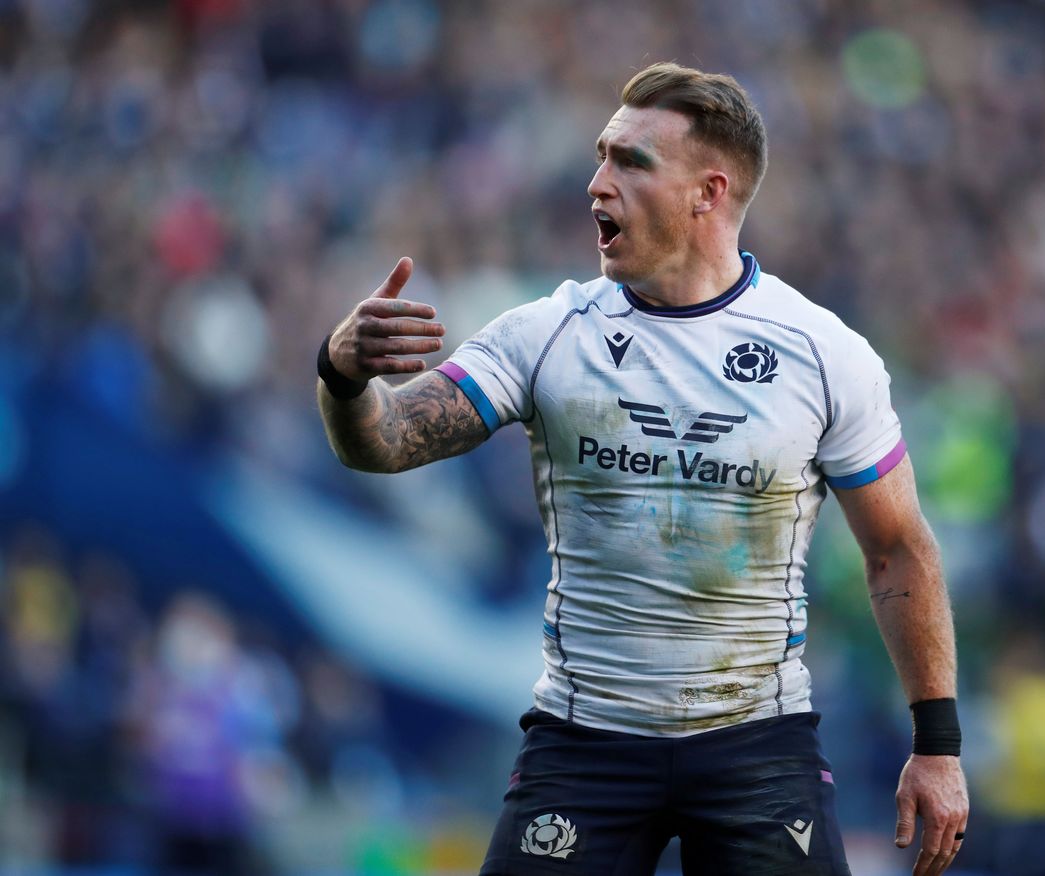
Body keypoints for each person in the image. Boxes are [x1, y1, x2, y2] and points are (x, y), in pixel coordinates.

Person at [316, 62, 968, 876]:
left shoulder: (824, 355)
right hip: (585, 737)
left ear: (708, 192)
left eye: (630, 161)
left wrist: (937, 745)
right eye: (601, 156)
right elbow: (382, 443)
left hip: (757, 742)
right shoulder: (546, 335)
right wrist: (342, 374)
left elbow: (897, 549)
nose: (597, 183)